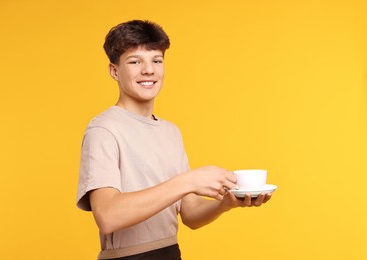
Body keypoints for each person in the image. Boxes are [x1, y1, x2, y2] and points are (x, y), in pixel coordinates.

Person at [76, 20, 272, 260]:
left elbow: (190, 214)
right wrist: (187, 181)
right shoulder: (103, 129)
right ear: (114, 71)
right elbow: (108, 216)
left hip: (170, 253)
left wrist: (227, 203)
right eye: (135, 61)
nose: (148, 70)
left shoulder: (171, 132)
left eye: (156, 60)